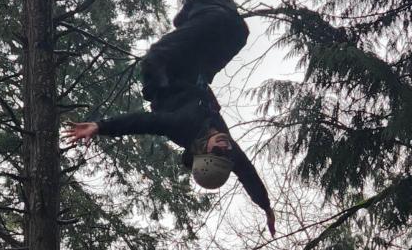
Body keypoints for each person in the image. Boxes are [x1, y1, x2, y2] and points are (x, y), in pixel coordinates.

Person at [65, 83, 276, 236]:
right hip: (192, 75)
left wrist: (100, 127)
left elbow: (139, 122)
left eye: (219, 152)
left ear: (202, 151)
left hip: (166, 69)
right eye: (228, 154)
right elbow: (248, 174)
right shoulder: (227, 147)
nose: (226, 147)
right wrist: (266, 207)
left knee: (227, 29)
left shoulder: (179, 125)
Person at [141, 0, 250, 103]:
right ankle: (203, 103)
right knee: (196, 74)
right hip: (237, 35)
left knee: (156, 54)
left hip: (214, 20)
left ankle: (161, 90)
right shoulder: (208, 1)